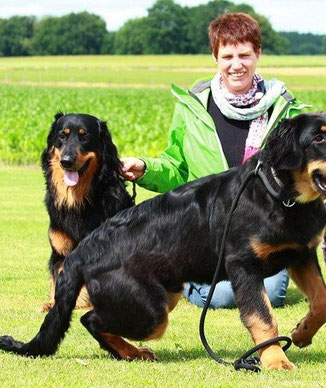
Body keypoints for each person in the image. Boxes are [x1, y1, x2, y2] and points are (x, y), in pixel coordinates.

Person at [121, 12, 308, 309]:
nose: (237, 65)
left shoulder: (285, 111)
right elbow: (177, 169)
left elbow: (301, 176)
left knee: (271, 294)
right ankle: (188, 278)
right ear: (215, 57)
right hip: (205, 232)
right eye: (228, 56)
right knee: (222, 296)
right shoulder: (193, 106)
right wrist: (144, 168)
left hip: (263, 229)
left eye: (245, 54)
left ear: (258, 53)